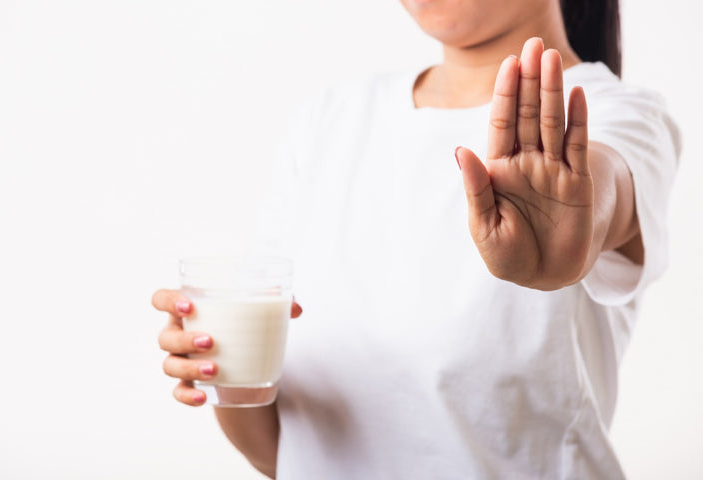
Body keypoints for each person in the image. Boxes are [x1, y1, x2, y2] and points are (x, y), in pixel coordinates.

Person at [152, 0, 680, 478]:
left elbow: (604, 186)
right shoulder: (328, 122)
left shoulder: (616, 116)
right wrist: (226, 368)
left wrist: (570, 236)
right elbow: (282, 451)